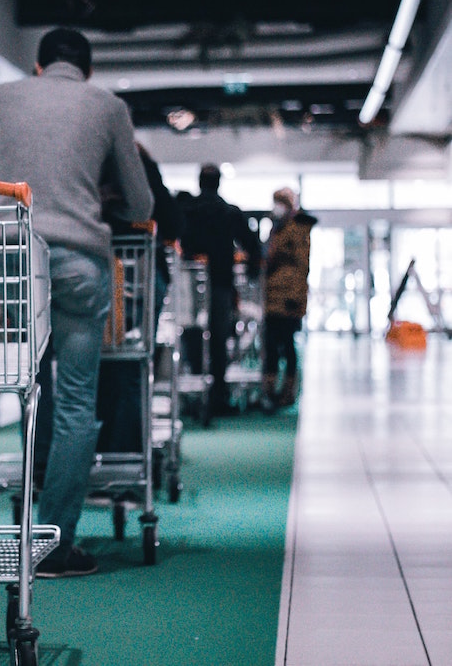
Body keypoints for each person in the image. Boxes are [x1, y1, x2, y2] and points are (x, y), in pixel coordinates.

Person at [0, 27, 153, 577]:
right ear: (86, 69)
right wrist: (99, 195)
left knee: (29, 387)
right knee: (77, 402)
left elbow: (1, 175)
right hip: (81, 262)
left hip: (14, 259)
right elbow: (140, 200)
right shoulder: (106, 105)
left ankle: (30, 517)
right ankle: (57, 543)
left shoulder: (3, 97)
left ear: (38, 67)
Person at [96, 142, 184, 454]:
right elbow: (172, 224)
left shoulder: (95, 173)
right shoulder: (147, 173)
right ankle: (129, 451)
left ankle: (105, 447)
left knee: (103, 363)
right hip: (145, 273)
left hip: (105, 272)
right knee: (133, 361)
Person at [178, 163, 262, 417]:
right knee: (218, 338)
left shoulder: (187, 210)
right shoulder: (229, 211)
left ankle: (192, 391)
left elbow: (178, 239)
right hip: (222, 282)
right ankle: (218, 395)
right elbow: (252, 244)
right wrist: (251, 271)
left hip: (189, 283)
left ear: (200, 182)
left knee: (190, 333)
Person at [260, 187, 316, 413]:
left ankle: (289, 390)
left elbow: (302, 266)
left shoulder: (298, 229)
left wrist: (296, 297)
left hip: (288, 299)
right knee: (271, 345)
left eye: (280, 202)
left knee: (287, 345)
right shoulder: (277, 228)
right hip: (272, 296)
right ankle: (270, 391)